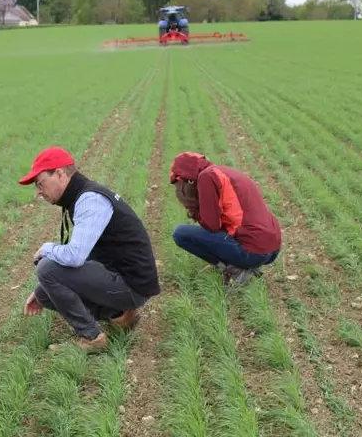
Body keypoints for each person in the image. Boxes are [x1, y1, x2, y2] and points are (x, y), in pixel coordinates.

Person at [19, 147, 161, 352]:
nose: (38, 192)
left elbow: (75, 257)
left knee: (46, 268)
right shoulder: (79, 197)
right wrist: (44, 286)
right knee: (43, 293)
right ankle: (120, 314)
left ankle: (92, 337)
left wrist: (47, 248)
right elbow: (85, 254)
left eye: (40, 184)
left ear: (59, 174)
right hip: (120, 276)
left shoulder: (89, 200)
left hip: (132, 284)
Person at [169, 151, 281, 286]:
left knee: (180, 233)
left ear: (186, 178)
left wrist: (193, 209)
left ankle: (237, 270)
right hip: (273, 249)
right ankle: (241, 264)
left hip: (253, 253)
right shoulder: (221, 172)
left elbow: (212, 226)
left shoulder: (206, 177)